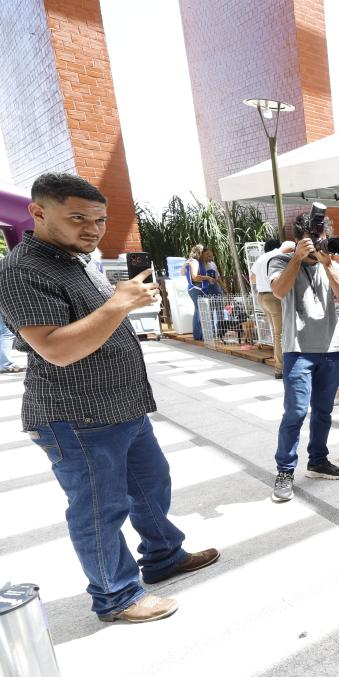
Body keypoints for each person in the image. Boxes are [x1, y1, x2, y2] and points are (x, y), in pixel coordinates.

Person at [0, 172, 219, 623]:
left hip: (122, 406)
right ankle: (116, 595)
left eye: (99, 219)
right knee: (101, 508)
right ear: (38, 213)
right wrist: (119, 303)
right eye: (77, 217)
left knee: (151, 484)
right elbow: (56, 349)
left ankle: (164, 556)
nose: (92, 229)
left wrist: (122, 303)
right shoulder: (23, 270)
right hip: (76, 415)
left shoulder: (75, 260)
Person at [268, 212, 339, 503]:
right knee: (295, 413)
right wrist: (296, 259)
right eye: (312, 238)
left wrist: (327, 264)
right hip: (298, 350)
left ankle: (318, 460)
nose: (318, 244)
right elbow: (278, 291)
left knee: (323, 412)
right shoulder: (280, 261)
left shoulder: (330, 263)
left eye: (321, 238)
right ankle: (285, 471)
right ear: (299, 238)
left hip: (329, 350)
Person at [250, 238, 292, 378]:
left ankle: (280, 365)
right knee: (280, 334)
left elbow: (252, 278)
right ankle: (280, 369)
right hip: (274, 297)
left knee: (276, 334)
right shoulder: (277, 256)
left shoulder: (261, 258)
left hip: (262, 297)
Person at [185, 244, 224, 341]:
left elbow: (217, 277)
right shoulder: (194, 262)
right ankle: (204, 335)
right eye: (205, 254)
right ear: (200, 253)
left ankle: (201, 335)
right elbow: (194, 277)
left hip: (200, 289)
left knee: (199, 312)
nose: (209, 257)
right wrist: (207, 278)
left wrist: (223, 287)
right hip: (196, 289)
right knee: (203, 312)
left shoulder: (197, 262)